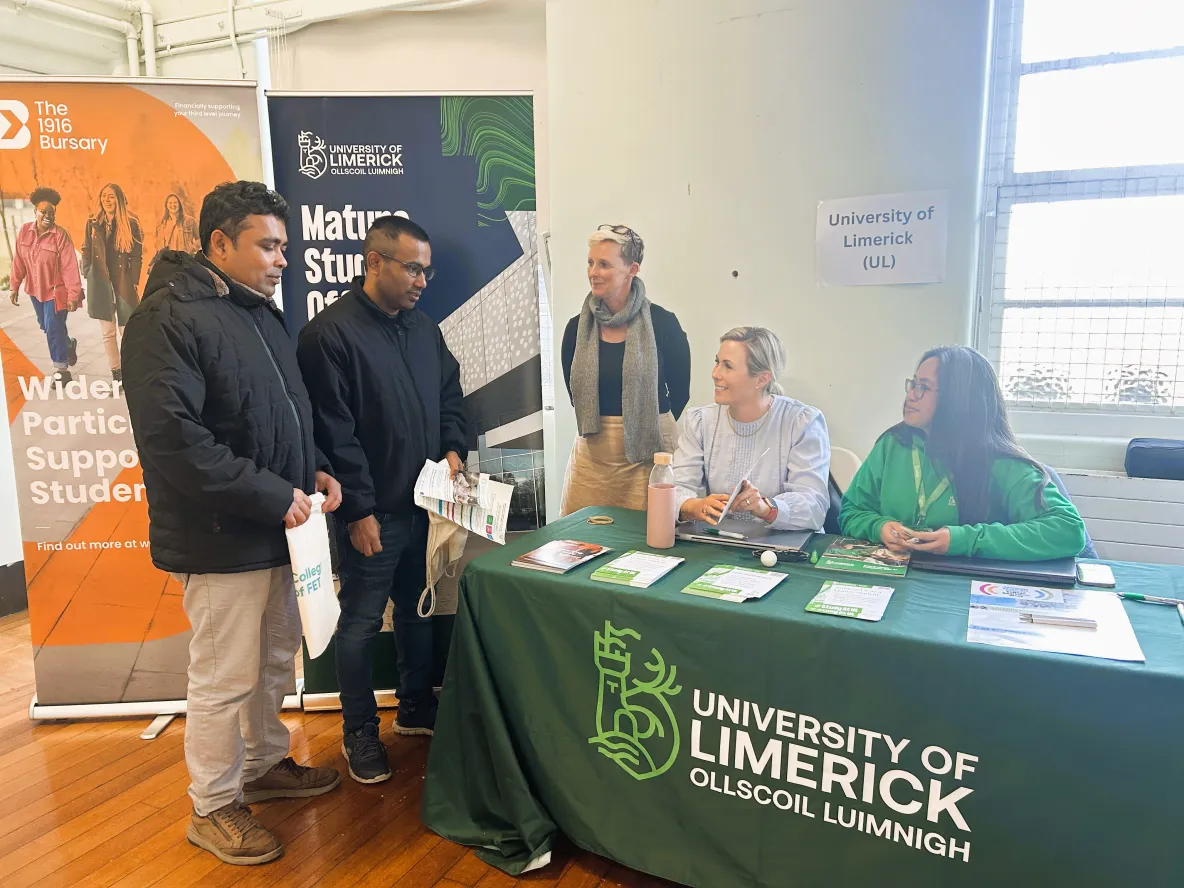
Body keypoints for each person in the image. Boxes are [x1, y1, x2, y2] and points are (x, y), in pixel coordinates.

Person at [121, 181, 344, 866]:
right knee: (224, 678)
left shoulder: (259, 314)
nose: (283, 260)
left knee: (275, 660)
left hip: (282, 524)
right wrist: (274, 493)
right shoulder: (167, 318)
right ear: (220, 243)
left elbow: (281, 414)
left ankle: (265, 767)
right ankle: (213, 805)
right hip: (222, 539)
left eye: (285, 246)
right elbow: (175, 441)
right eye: (268, 246)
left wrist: (314, 469)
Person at [296, 215, 467, 785]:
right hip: (372, 515)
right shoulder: (329, 335)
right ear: (374, 262)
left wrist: (453, 449)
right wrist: (358, 512)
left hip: (423, 507)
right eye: (412, 268)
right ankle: (359, 732)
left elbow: (450, 394)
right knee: (363, 623)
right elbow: (333, 434)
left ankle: (416, 708)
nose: (423, 281)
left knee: (418, 614)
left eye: (427, 269)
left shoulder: (424, 329)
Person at [839, 345, 1088, 561]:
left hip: (965, 588)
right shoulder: (892, 444)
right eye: (913, 384)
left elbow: (1067, 530)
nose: (910, 395)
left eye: (923, 387)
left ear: (958, 399)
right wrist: (878, 527)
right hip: (895, 580)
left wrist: (963, 540)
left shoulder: (998, 459)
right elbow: (850, 512)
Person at [560, 224, 690, 514]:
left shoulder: (662, 323)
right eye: (591, 262)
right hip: (593, 454)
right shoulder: (576, 329)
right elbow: (574, 393)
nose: (593, 271)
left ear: (632, 269)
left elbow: (681, 391)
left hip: (650, 454)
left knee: (650, 537)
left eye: (604, 264)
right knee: (579, 538)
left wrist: (644, 425)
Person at [674, 326, 831, 531]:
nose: (715, 374)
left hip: (784, 548)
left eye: (727, 366)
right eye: (717, 362)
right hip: (721, 542)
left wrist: (767, 508)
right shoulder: (700, 421)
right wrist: (695, 506)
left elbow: (814, 505)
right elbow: (674, 489)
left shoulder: (801, 422)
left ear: (762, 379)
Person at [9, 187, 82, 383]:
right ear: (35, 211)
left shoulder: (60, 235)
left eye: (52, 212)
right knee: (46, 325)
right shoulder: (25, 231)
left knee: (52, 327)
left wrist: (73, 295)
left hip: (56, 292)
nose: (48, 216)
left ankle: (62, 370)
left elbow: (69, 267)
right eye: (44, 211)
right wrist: (14, 285)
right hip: (35, 290)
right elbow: (19, 261)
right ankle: (68, 344)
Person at [82, 182, 143, 382]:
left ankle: (131, 371)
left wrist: (134, 280)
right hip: (100, 282)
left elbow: (136, 255)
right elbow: (86, 249)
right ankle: (117, 374)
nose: (107, 200)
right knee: (107, 332)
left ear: (118, 199)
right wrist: (87, 271)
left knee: (127, 331)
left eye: (111, 196)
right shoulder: (92, 222)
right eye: (104, 196)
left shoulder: (131, 222)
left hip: (123, 281)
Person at [153, 192, 200, 260]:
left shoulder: (190, 220)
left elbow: (200, 238)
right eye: (170, 203)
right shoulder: (161, 222)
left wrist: (192, 249)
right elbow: (156, 240)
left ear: (179, 204)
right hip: (168, 260)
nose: (173, 205)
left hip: (185, 259)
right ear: (166, 205)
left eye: (175, 202)